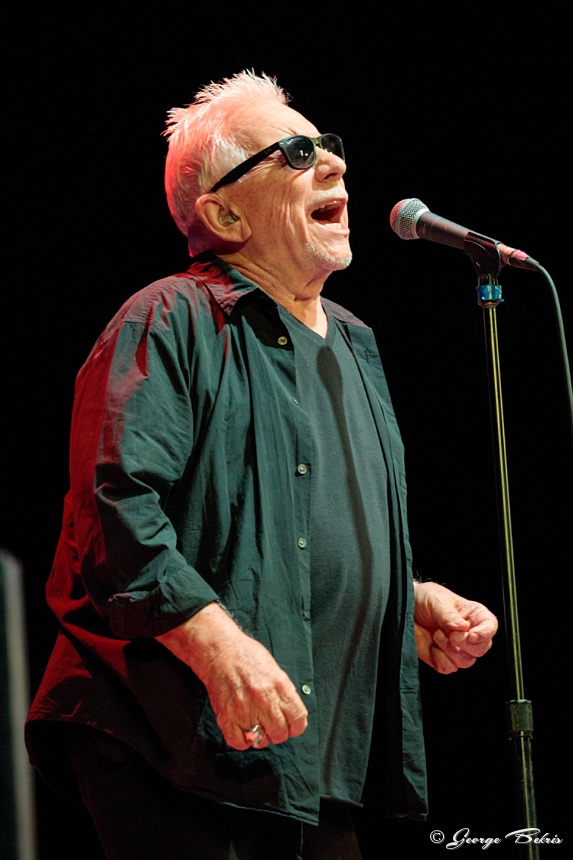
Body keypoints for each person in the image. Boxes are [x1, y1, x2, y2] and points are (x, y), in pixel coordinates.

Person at [25, 70, 498, 860]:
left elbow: (286, 532)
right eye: (294, 153)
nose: (334, 163)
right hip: (180, 745)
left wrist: (399, 601)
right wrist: (218, 648)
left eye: (328, 146)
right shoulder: (166, 319)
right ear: (224, 214)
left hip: (309, 757)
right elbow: (114, 515)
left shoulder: (354, 343)